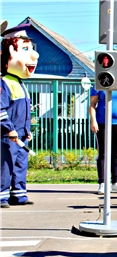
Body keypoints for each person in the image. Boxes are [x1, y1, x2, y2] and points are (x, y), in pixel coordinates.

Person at [1, 24, 39, 208]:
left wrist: (27, 130)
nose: (34, 55)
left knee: (20, 164)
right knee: (6, 165)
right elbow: (1, 110)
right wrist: (10, 130)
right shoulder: (5, 83)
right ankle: (1, 197)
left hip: (21, 134)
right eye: (25, 49)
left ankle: (19, 194)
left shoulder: (20, 83)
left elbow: (23, 111)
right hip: (8, 135)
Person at [89, 83, 117, 195]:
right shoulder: (99, 84)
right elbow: (93, 104)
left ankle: (115, 182)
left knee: (116, 154)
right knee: (103, 153)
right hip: (102, 122)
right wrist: (93, 121)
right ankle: (102, 183)